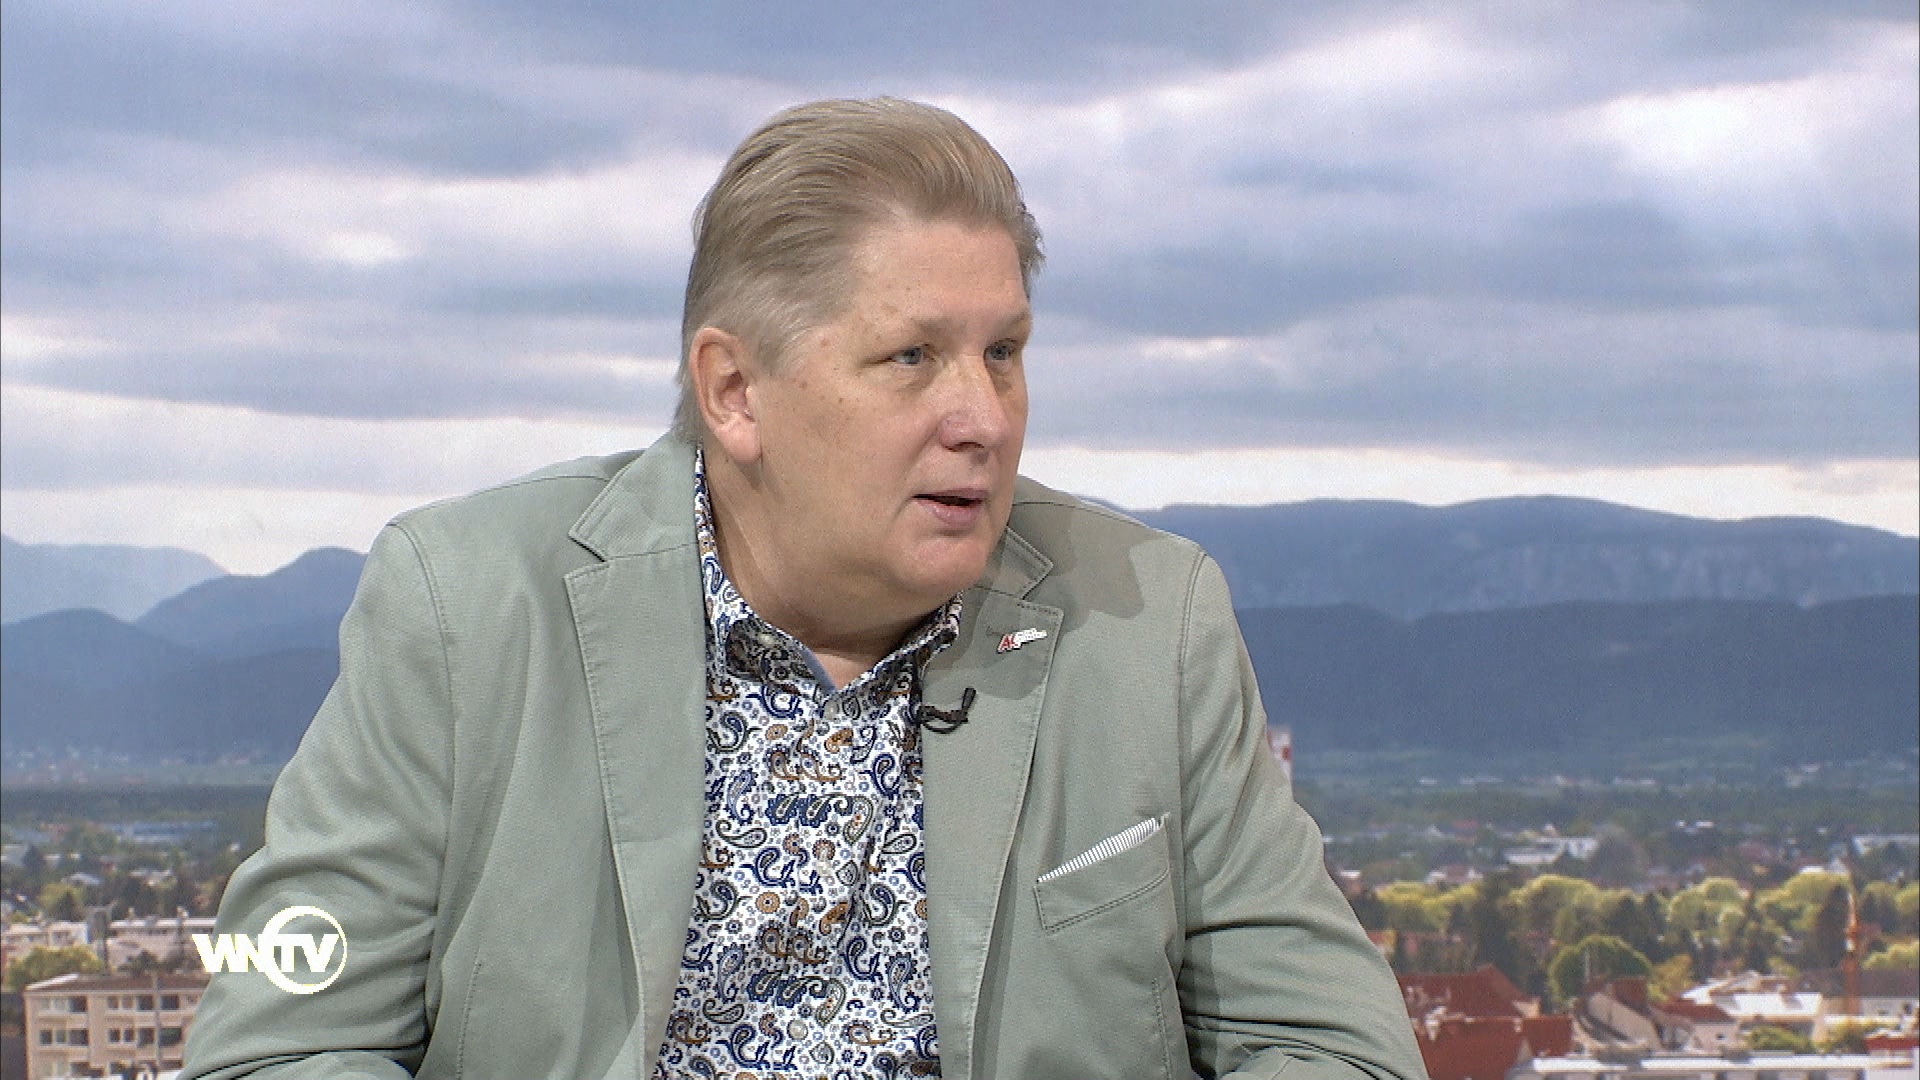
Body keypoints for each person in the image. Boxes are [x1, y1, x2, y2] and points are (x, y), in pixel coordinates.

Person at [181, 98, 1427, 1080]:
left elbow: (1335, 1045)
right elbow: (277, 1039)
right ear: (735, 392)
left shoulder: (1150, 619)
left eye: (1003, 352)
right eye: (913, 356)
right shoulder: (465, 607)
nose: (985, 418)